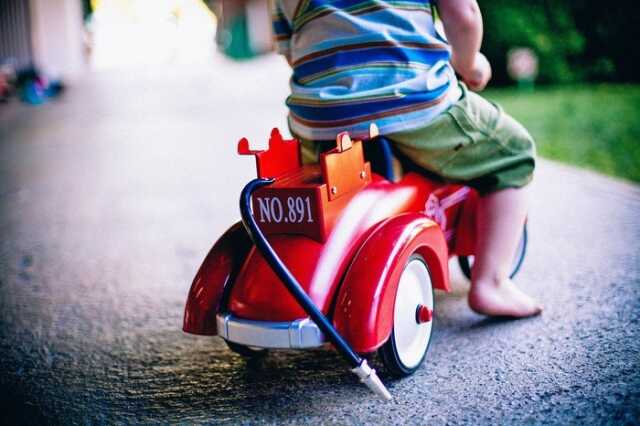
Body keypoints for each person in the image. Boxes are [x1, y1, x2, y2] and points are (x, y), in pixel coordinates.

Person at [271, 0, 542, 317]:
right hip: (411, 101)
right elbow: (464, 14)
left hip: (319, 119)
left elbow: (290, 48)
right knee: (514, 152)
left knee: (327, 190)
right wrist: (470, 64)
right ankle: (492, 282)